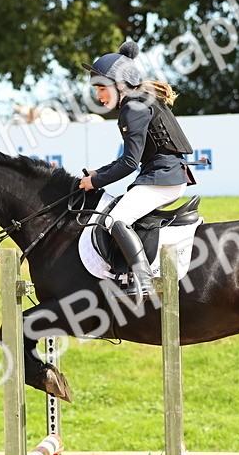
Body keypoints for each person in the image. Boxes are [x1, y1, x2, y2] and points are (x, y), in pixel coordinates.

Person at [78, 39, 196, 296]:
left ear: (120, 85)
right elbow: (130, 158)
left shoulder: (133, 107)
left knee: (115, 219)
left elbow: (130, 163)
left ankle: (141, 280)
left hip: (163, 178)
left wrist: (95, 183)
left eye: (101, 88)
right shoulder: (139, 101)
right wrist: (98, 173)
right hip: (163, 175)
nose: (98, 96)